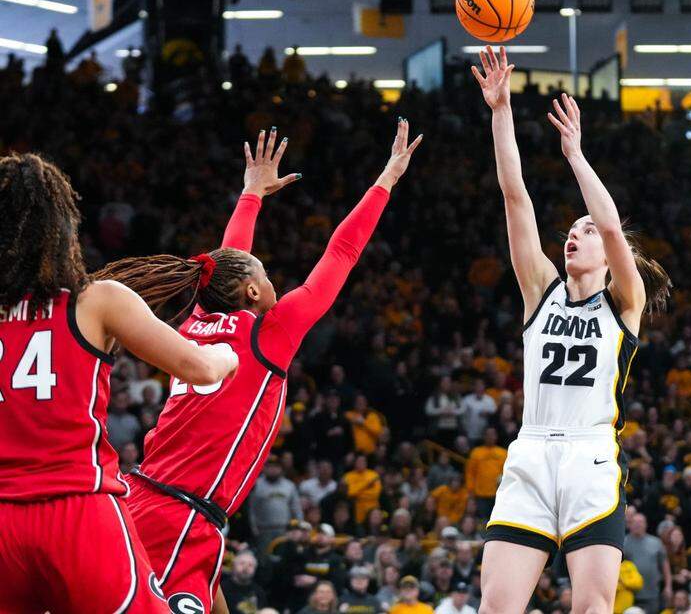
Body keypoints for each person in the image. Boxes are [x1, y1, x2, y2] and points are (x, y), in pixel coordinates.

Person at [96, 123, 421, 613]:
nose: (271, 280)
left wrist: (251, 195)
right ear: (251, 292)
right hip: (180, 514)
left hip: (149, 496)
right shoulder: (269, 335)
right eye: (265, 275)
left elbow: (230, 257)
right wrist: (387, 180)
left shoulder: (197, 322)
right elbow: (343, 252)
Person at [472, 46, 671, 614]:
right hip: (531, 451)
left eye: (584, 232)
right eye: (572, 229)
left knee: (590, 608)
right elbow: (516, 197)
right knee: (496, 609)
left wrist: (576, 156)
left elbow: (610, 224)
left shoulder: (623, 302)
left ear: (611, 256)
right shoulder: (540, 289)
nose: (574, 235)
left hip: (590, 458)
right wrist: (501, 110)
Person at [0, 152, 237, 611]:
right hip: (76, 510)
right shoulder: (95, 300)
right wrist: (226, 353)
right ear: (61, 227)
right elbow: (201, 370)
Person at [624, 512, 671, 614]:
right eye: (635, 522)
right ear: (629, 524)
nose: (638, 524)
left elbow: (665, 565)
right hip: (629, 593)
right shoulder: (623, 542)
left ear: (646, 524)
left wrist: (668, 586)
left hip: (652, 593)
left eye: (641, 522)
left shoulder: (656, 542)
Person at [220, 549, 267, 614]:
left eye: (250, 565)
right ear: (234, 564)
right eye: (242, 563)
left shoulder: (259, 592)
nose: (246, 567)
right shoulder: (221, 588)